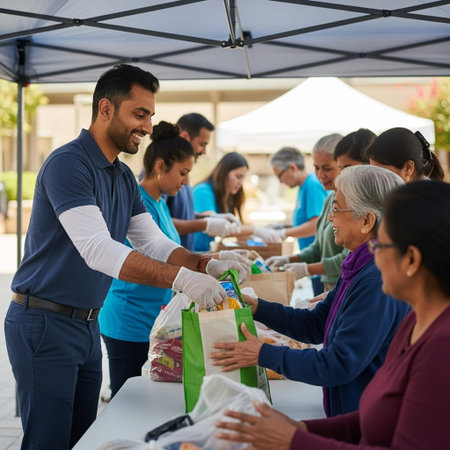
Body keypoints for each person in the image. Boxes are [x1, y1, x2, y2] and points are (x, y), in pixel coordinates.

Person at [3, 64, 246, 450]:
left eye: (149, 115)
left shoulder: (121, 176)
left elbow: (152, 241)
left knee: (83, 437)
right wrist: (181, 280)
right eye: (139, 114)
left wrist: (203, 264)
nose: (148, 126)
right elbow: (98, 249)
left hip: (85, 323)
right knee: (47, 442)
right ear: (105, 109)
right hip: (44, 320)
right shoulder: (69, 164)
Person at [215, 180, 450, 450]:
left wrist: (294, 440)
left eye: (380, 247)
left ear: (411, 260)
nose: (376, 257)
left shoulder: (441, 347)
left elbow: (340, 363)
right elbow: (376, 419)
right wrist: (300, 427)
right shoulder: (415, 323)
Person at [210, 165, 410, 417]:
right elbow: (315, 324)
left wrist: (262, 353)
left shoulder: (376, 280)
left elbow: (338, 363)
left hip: (366, 421)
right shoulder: (359, 266)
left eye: (337, 209)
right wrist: (258, 307)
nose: (330, 218)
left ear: (367, 220)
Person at [98, 121, 194, 398]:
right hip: (129, 320)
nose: (185, 181)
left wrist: (206, 262)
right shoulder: (135, 200)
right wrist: (189, 276)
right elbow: (135, 258)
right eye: (183, 172)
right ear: (161, 166)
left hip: (154, 319)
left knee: (149, 399)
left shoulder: (160, 203)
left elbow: (166, 248)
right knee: (127, 401)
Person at [267, 130, 376, 295]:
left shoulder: (360, 205)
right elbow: (319, 246)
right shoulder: (329, 199)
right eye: (316, 168)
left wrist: (307, 269)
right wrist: (290, 260)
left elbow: (349, 258)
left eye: (327, 168)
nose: (320, 175)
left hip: (346, 285)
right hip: (330, 284)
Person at [165, 113, 240, 250]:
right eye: (202, 144)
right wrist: (206, 224)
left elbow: (182, 214)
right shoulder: (164, 172)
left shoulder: (183, 175)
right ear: (185, 137)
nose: (204, 151)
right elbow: (158, 220)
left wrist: (211, 218)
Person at [270, 147, 328, 283]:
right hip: (311, 261)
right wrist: (280, 227)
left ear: (292, 167)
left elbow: (315, 224)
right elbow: (305, 221)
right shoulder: (303, 187)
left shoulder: (312, 186)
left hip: (319, 266)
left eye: (279, 175)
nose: (280, 181)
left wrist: (284, 233)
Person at [367, 127, 445, 182]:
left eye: (381, 171)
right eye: (372, 172)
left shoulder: (427, 202)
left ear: (408, 168)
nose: (375, 178)